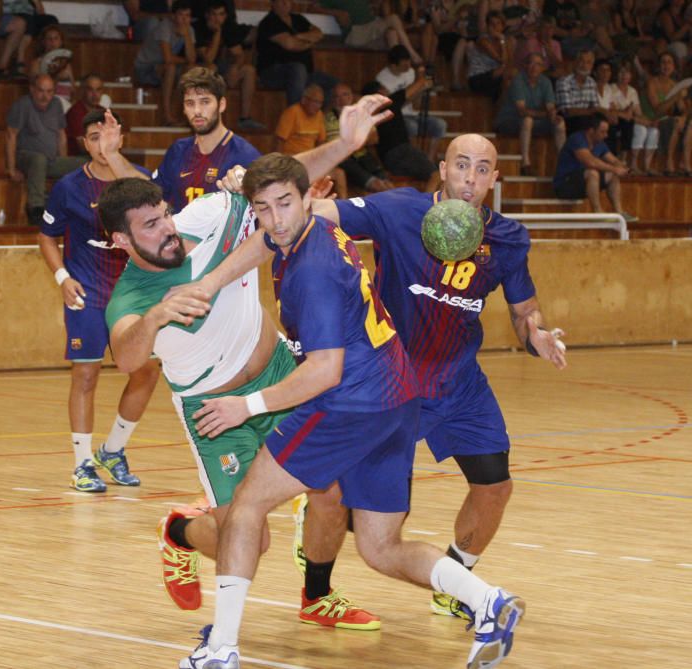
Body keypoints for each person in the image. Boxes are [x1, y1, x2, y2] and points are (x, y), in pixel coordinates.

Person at [177, 147, 526, 669]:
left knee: (246, 506)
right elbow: (265, 242)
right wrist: (210, 282)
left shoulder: (312, 270)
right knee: (381, 547)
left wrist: (244, 407)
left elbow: (324, 371)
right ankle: (488, 602)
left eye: (284, 204)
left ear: (308, 198)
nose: (275, 219)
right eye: (265, 209)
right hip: (397, 398)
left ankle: (221, 649)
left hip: (350, 404)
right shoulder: (315, 229)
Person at [99, 152, 381, 629]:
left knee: (332, 493)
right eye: (149, 225)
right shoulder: (130, 297)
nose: (166, 228)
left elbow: (278, 186)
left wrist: (346, 143)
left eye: (165, 214)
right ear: (120, 241)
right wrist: (154, 318)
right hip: (213, 413)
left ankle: (317, 595)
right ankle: (182, 532)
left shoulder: (209, 215)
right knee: (253, 539)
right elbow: (126, 357)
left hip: (278, 377)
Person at [37, 109, 160, 493]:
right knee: (86, 374)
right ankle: (82, 464)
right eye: (92, 137)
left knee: (147, 371)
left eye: (107, 136)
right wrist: (62, 277)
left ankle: (114, 450)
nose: (101, 144)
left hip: (133, 294)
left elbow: (160, 207)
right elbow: (46, 236)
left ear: (119, 138)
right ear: (84, 144)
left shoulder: (139, 182)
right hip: (88, 293)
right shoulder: (70, 187)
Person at [109, 68, 261, 214]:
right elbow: (149, 194)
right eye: (190, 103)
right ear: (183, 108)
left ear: (221, 105)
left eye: (205, 102)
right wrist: (111, 154)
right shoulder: (178, 150)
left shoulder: (246, 156)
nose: (197, 111)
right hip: (178, 239)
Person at [5, 74, 85, 226]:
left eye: (49, 91)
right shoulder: (22, 105)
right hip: (26, 157)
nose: (45, 96)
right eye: (41, 91)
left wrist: (64, 161)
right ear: (32, 90)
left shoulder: (56, 104)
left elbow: (61, 135)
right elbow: (11, 135)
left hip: (51, 159)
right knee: (38, 160)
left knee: (86, 164)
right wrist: (11, 169)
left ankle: (81, 207)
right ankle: (36, 209)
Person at [193, 0, 264, 130]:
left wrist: (235, 67)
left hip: (220, 67)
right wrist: (217, 33)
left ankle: (244, 118)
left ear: (225, 16)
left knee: (249, 70)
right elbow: (208, 58)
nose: (217, 18)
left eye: (221, 15)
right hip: (198, 68)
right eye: (213, 14)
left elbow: (239, 54)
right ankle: (205, 116)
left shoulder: (227, 27)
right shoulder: (199, 28)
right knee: (211, 68)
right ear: (207, 15)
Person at [553, 113, 638, 221]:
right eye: (602, 132)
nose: (606, 135)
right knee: (592, 173)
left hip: (582, 184)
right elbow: (590, 162)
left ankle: (619, 212)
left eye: (606, 132)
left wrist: (625, 169)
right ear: (591, 131)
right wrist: (615, 168)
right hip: (564, 185)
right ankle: (598, 212)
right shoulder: (577, 139)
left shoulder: (599, 143)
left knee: (612, 175)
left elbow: (614, 160)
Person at [359, 80, 441, 190]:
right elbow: (417, 85)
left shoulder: (369, 112)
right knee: (436, 175)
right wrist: (422, 75)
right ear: (381, 92)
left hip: (386, 158)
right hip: (401, 150)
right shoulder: (389, 103)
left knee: (421, 178)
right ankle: (427, 204)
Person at [494, 52, 566, 175]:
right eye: (531, 63)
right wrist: (546, 114)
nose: (534, 67)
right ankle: (525, 163)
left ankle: (564, 165)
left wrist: (553, 115)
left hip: (534, 121)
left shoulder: (545, 82)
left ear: (543, 67)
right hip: (509, 120)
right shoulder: (518, 80)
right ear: (525, 65)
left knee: (560, 123)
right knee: (527, 120)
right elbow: (522, 111)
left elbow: (550, 107)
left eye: (538, 64)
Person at [256, 0, 337, 106]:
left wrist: (298, 36)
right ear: (273, 3)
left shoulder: (298, 18)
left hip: (305, 74)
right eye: (281, 1)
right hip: (273, 73)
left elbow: (318, 33)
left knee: (334, 84)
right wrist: (309, 41)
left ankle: (320, 119)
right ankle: (295, 115)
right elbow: (290, 45)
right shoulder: (269, 22)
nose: (285, 3)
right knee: (298, 69)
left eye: (288, 1)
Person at [375, 45, 447, 163]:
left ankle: (429, 159)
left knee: (440, 125)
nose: (408, 66)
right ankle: (414, 159)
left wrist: (421, 88)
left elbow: (416, 102)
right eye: (404, 64)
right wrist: (417, 86)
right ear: (393, 65)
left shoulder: (411, 72)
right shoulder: (382, 79)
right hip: (396, 117)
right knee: (412, 127)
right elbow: (394, 104)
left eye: (409, 62)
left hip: (412, 112)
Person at [133, 0, 196, 126]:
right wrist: (185, 60)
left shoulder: (189, 30)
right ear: (173, 16)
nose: (184, 19)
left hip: (161, 67)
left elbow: (192, 59)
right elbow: (168, 58)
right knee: (171, 68)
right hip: (145, 68)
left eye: (187, 16)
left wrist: (187, 37)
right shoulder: (165, 27)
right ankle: (167, 115)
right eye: (181, 15)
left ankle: (180, 114)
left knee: (190, 70)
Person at [326, 83, 395, 193]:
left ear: (351, 96)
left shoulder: (361, 113)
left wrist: (354, 142)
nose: (341, 99)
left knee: (388, 184)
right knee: (377, 186)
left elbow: (374, 138)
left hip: (363, 156)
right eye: (336, 96)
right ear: (332, 100)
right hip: (344, 160)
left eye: (345, 95)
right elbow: (337, 146)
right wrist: (359, 139)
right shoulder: (328, 118)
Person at [28, 24, 75, 109]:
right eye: (49, 39)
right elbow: (35, 89)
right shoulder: (37, 63)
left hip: (65, 105)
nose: (53, 42)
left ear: (61, 42)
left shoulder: (66, 64)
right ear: (43, 42)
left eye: (56, 38)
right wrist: (57, 77)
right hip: (46, 106)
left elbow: (73, 90)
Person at [65, 73, 110, 156]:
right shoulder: (75, 112)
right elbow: (83, 146)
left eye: (98, 90)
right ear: (82, 91)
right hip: (79, 159)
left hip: (100, 156)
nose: (95, 94)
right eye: (90, 90)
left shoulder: (104, 112)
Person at [556, 48, 598, 135]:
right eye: (581, 61)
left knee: (604, 122)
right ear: (575, 63)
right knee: (585, 122)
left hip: (586, 118)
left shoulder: (592, 82)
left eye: (588, 62)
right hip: (568, 119)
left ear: (592, 65)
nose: (584, 65)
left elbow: (595, 106)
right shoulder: (564, 81)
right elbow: (568, 111)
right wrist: (591, 111)